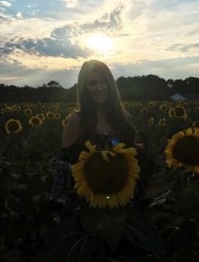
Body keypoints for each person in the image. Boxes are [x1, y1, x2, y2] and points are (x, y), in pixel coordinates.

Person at [49, 59, 146, 208]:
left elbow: (130, 162)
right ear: (84, 88)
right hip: (87, 204)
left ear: (110, 84)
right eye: (92, 83)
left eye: (103, 82)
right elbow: (64, 172)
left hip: (122, 199)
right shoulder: (76, 121)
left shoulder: (123, 117)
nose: (99, 88)